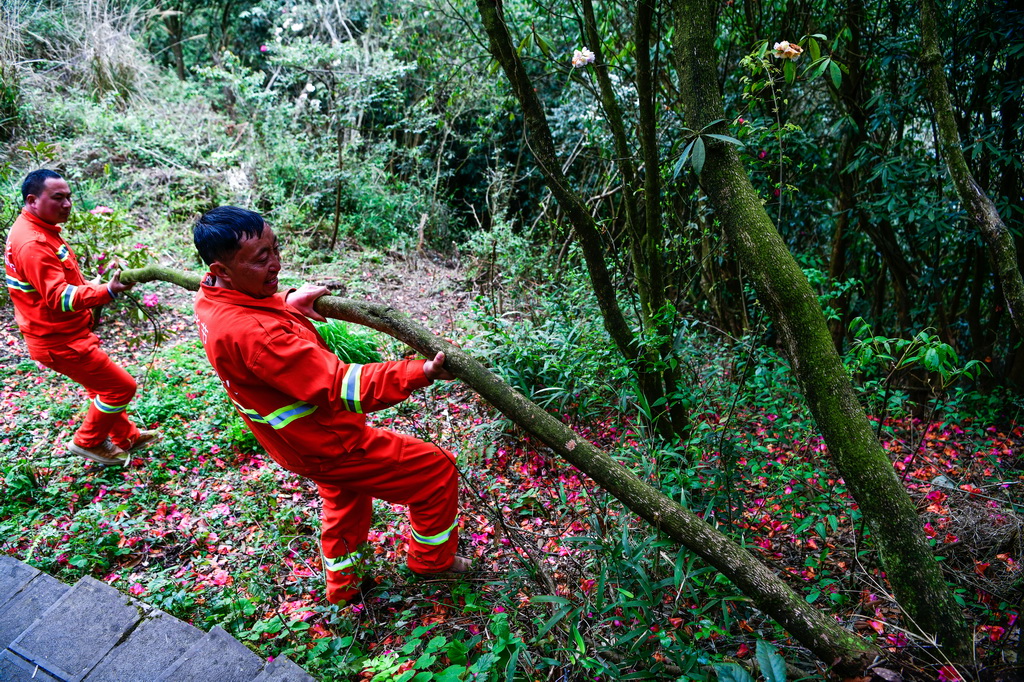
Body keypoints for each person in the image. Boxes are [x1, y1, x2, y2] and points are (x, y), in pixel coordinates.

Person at [191, 205, 469, 604]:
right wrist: (420, 372)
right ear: (223, 268)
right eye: (260, 258)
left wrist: (287, 302)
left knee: (346, 498)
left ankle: (343, 589)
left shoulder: (212, 298)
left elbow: (253, 314)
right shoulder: (257, 336)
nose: (275, 264)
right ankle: (432, 561)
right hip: (330, 442)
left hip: (297, 442)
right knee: (435, 470)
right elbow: (342, 386)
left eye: (275, 248)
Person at [4, 169, 158, 466]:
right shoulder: (33, 243)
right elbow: (58, 297)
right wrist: (107, 291)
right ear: (33, 200)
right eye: (58, 197)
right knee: (121, 387)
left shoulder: (37, 229)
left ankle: (126, 437)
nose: (67, 204)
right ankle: (88, 442)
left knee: (102, 388)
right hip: (58, 339)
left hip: (62, 333)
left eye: (69, 197)